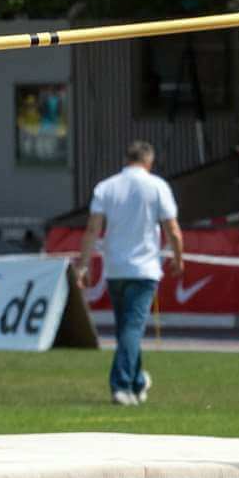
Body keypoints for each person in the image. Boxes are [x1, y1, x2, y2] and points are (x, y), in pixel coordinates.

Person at [75, 141, 185, 407]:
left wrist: (83, 264)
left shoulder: (106, 187)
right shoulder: (157, 186)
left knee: (126, 328)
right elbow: (172, 229)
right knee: (132, 329)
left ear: (127, 159)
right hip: (144, 268)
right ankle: (122, 384)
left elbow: (92, 230)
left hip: (115, 269)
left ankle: (136, 381)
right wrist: (178, 258)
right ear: (149, 161)